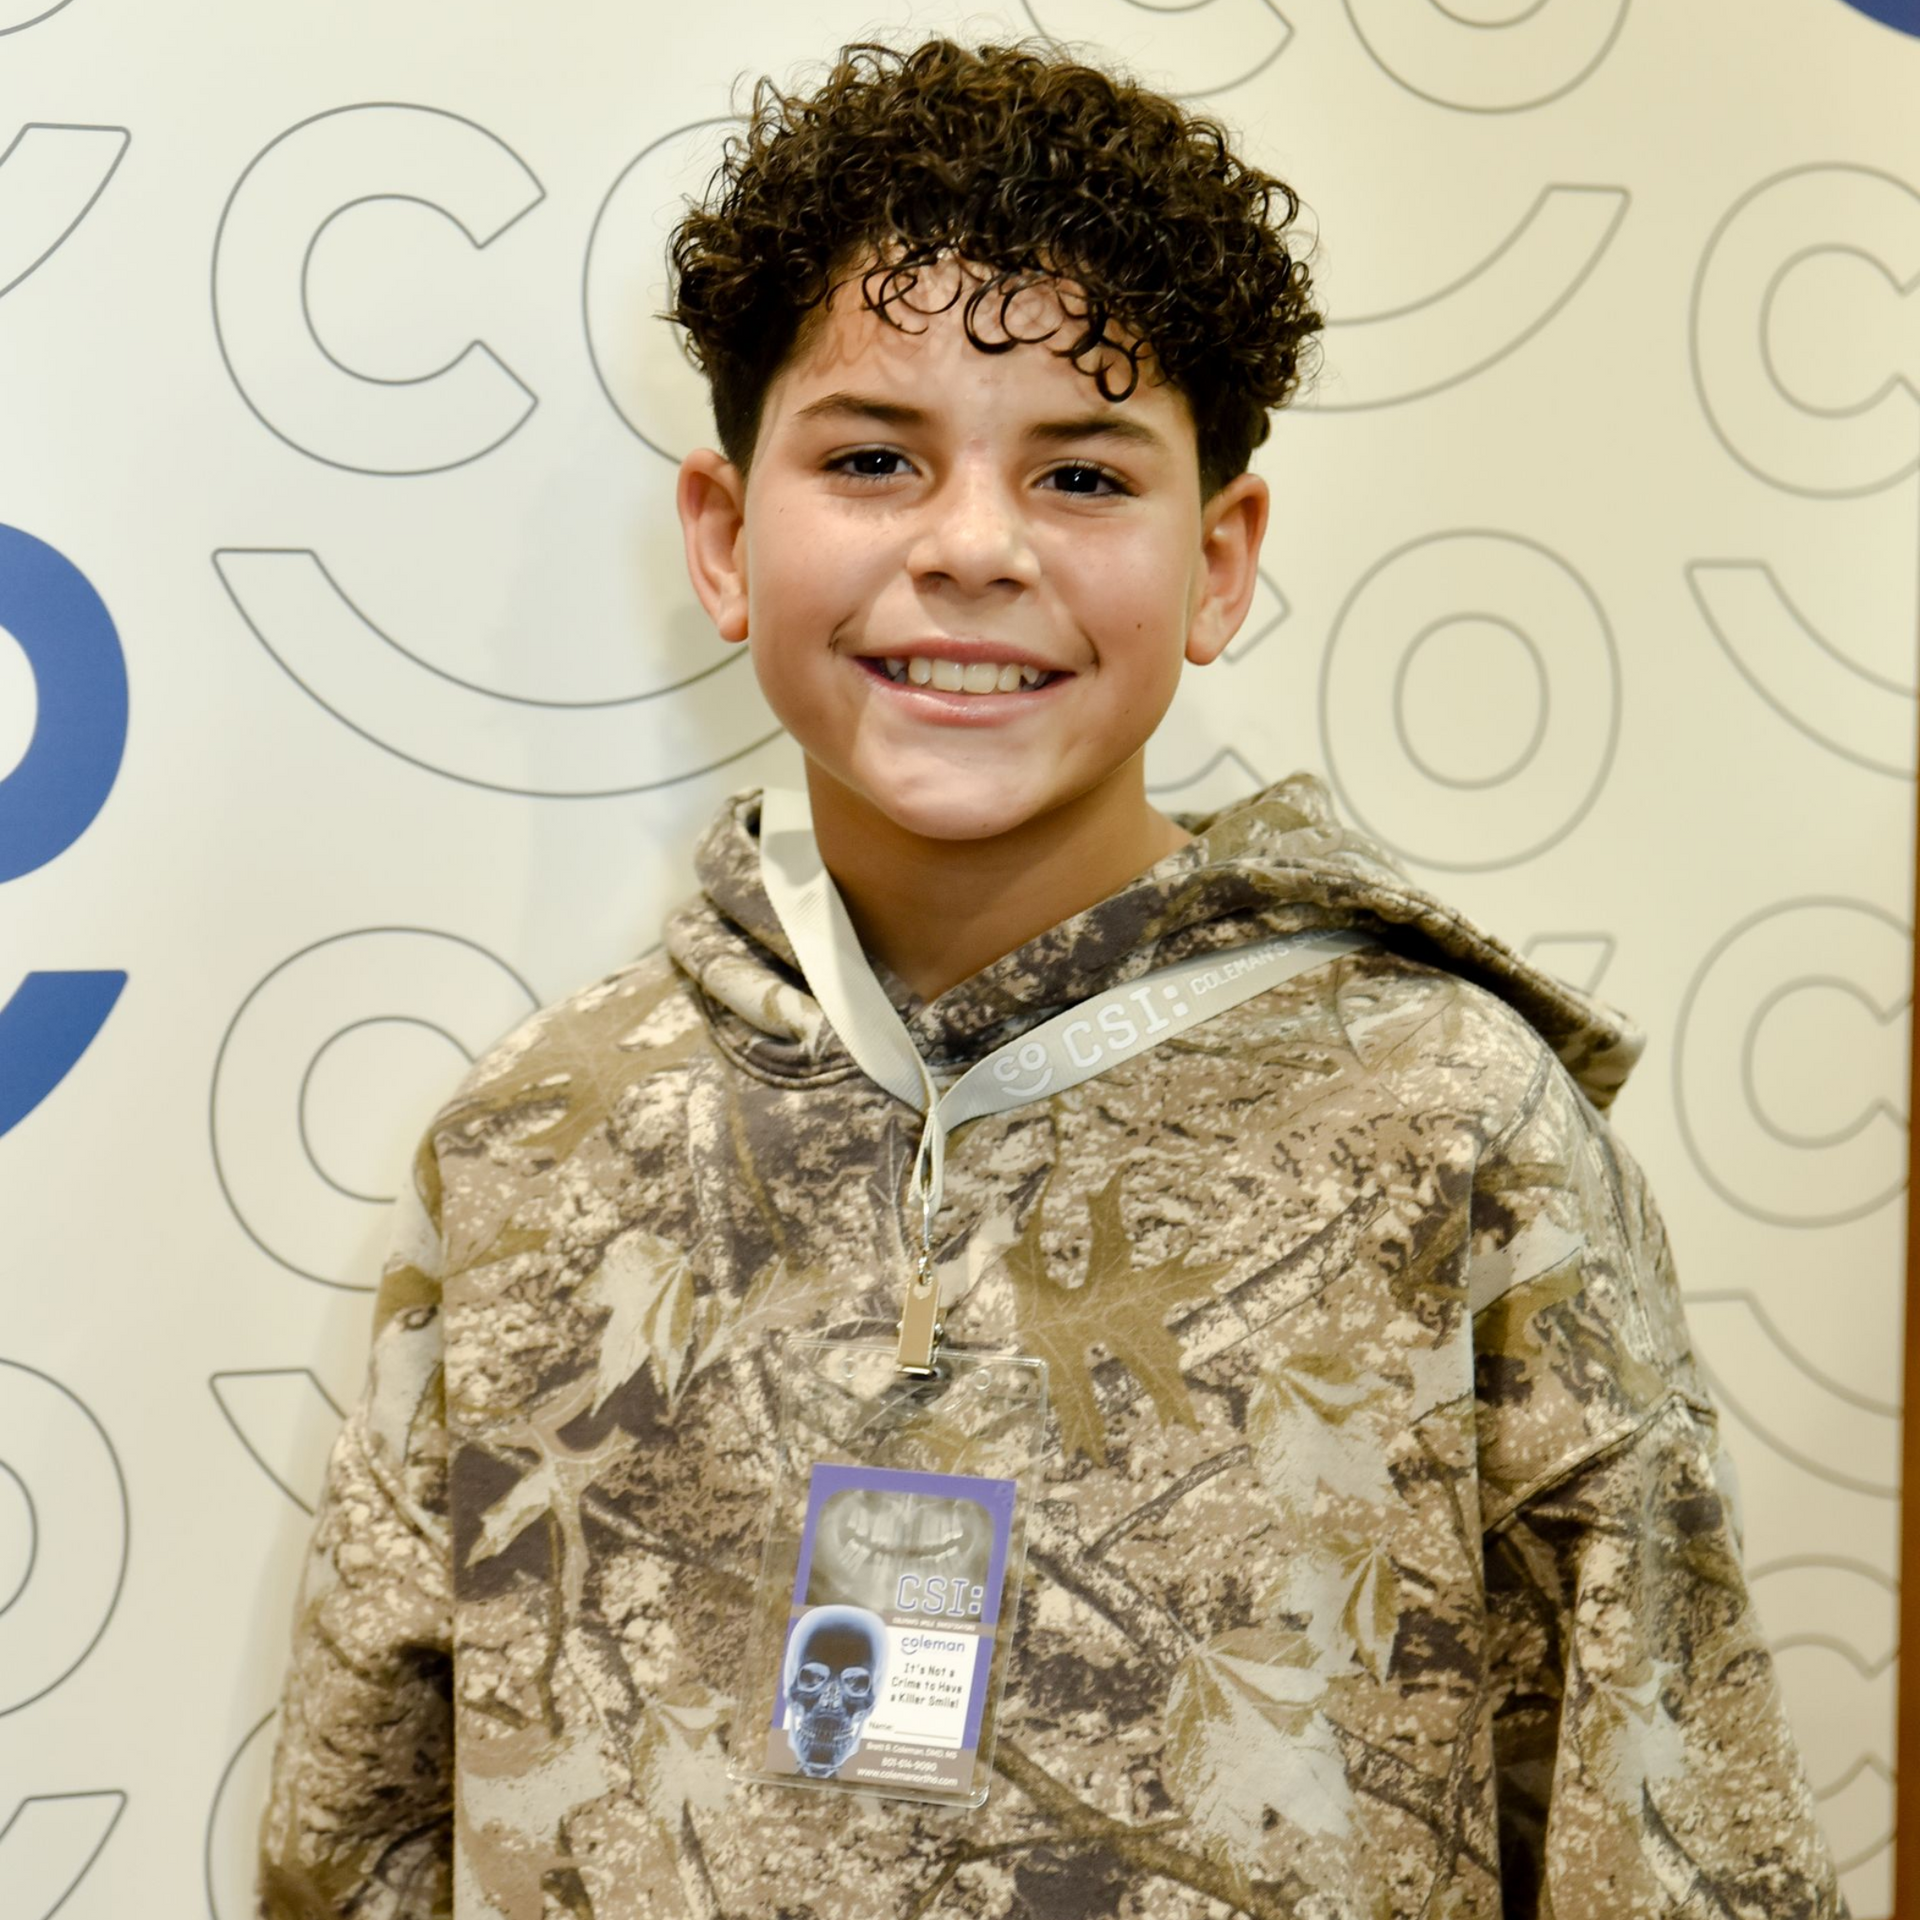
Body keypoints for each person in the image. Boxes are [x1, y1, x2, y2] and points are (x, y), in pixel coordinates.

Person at [256, 35, 1846, 1920]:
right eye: (870, 458)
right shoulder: (535, 1145)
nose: (973, 548)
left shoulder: (1449, 1131)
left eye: (1083, 472)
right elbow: (359, 1849)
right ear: (723, 536)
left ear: (1219, 561)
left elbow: (1671, 1833)